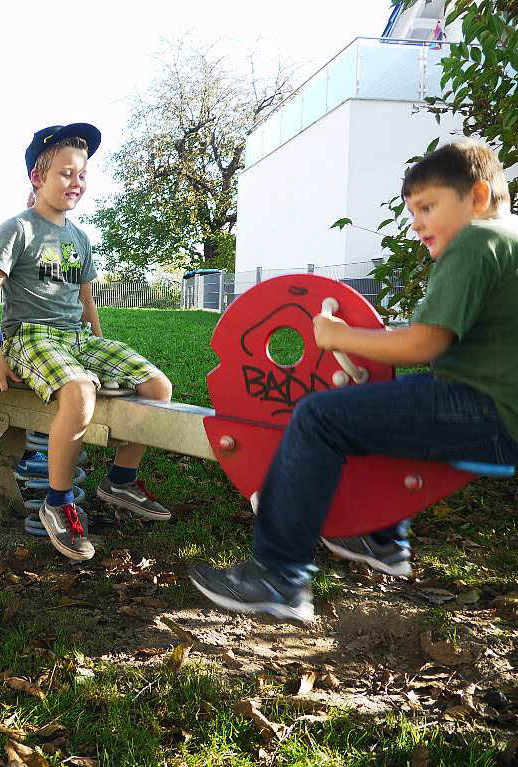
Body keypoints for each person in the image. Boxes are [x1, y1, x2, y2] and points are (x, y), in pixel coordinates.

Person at [189, 139, 518, 622]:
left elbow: (425, 343)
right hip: (494, 413)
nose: (417, 223)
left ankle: (278, 575)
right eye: (413, 211)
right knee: (378, 409)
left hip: (482, 408)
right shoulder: (508, 239)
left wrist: (343, 336)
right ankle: (381, 536)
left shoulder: (476, 242)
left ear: (478, 196)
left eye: (428, 207)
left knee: (320, 417)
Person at [0, 123, 174, 562]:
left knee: (157, 387)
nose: (76, 183)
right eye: (66, 173)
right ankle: (58, 501)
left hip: (77, 339)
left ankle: (119, 482)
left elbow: (85, 299)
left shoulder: (80, 238)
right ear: (38, 178)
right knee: (80, 391)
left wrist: (102, 350)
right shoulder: (18, 229)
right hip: (30, 336)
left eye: (81, 175)